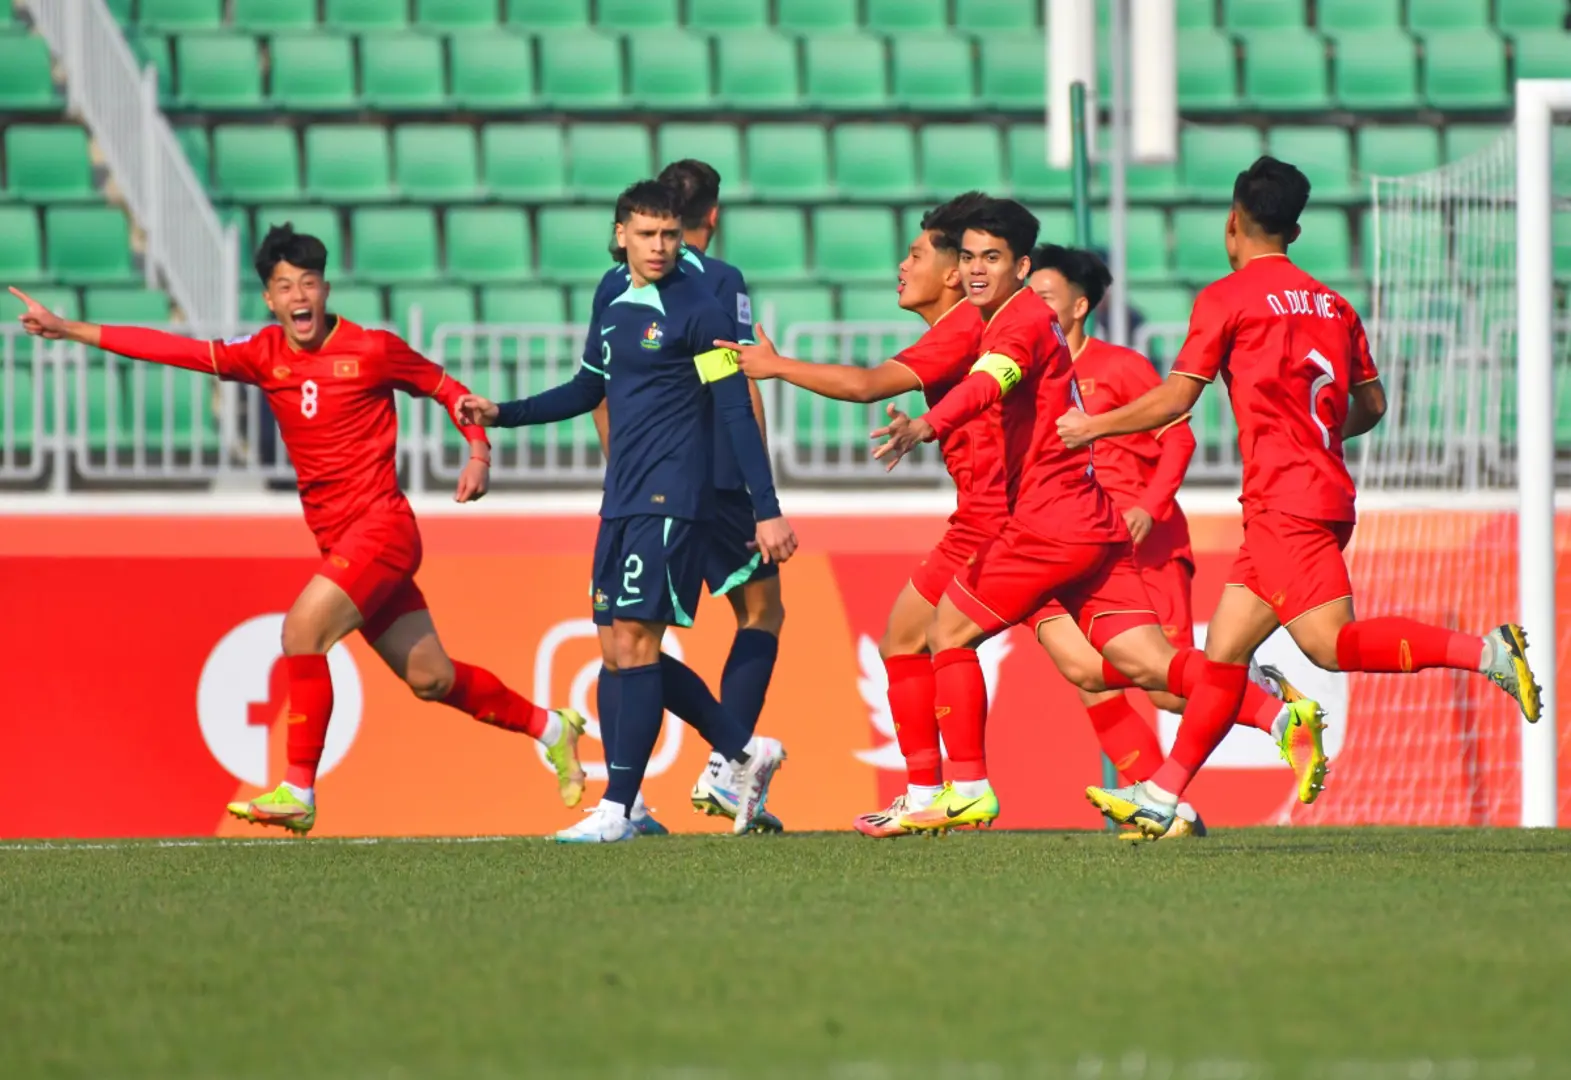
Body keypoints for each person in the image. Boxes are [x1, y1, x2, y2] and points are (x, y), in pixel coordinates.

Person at [9, 226, 588, 834]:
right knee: (431, 677)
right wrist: (70, 329)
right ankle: (552, 727)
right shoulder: (262, 353)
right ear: (270, 299)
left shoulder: (371, 349)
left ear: (325, 288)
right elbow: (173, 349)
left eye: (308, 282)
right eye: (285, 286)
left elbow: (450, 390)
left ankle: (298, 790)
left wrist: (478, 454)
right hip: (343, 543)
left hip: (383, 529)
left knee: (301, 631)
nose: (298, 295)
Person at [1057, 157, 1541, 838]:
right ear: (1296, 227)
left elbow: (1173, 399)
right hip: (1308, 492)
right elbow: (1370, 405)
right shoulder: (1333, 304)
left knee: (1326, 646)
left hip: (1287, 501)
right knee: (1222, 656)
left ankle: (1486, 651)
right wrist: (1311, 437)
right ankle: (1163, 795)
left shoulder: (1226, 299)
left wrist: (1092, 426)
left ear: (1232, 223)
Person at [845, 197, 1327, 835]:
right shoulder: (1014, 330)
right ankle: (1257, 725)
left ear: (1042, 283)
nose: (978, 271)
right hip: (1077, 526)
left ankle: (960, 787)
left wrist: (929, 424)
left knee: (947, 637)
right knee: (1122, 669)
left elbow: (990, 383)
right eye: (969, 257)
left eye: (993, 260)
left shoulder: (1037, 336)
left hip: (1049, 527)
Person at [456, 180, 793, 843]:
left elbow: (734, 408)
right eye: (646, 235)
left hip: (673, 497)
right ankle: (743, 750)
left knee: (636, 643)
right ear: (621, 236)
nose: (660, 247)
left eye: (669, 235)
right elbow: (588, 386)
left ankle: (619, 808)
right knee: (616, 648)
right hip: (623, 496)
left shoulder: (700, 309)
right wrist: (505, 412)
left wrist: (768, 509)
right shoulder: (612, 302)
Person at [581, 159, 787, 832]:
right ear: (715, 216)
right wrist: (766, 499)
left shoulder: (616, 286)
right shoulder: (719, 283)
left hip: (645, 483)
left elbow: (601, 396)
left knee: (626, 638)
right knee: (758, 612)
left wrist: (627, 470)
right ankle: (733, 764)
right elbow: (739, 383)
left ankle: (631, 798)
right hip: (713, 477)